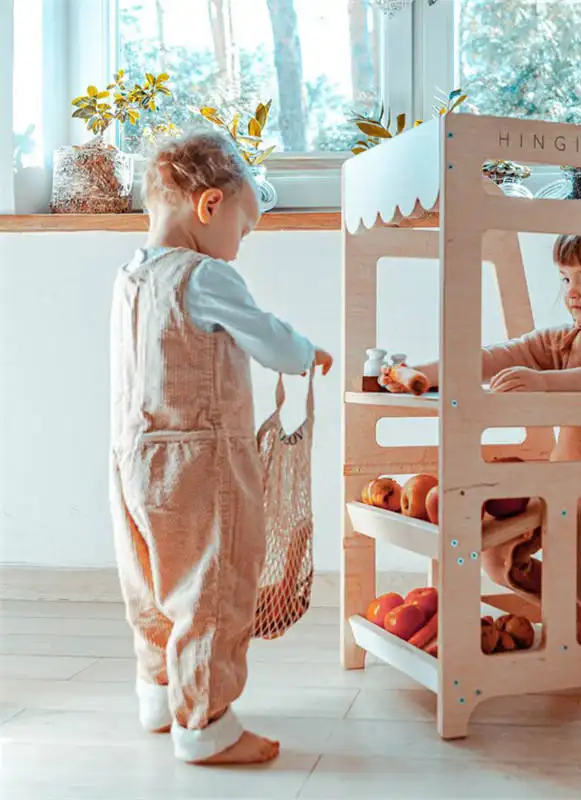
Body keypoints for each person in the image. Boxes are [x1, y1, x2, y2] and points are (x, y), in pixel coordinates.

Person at [109, 131, 333, 765]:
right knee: (212, 579)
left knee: (151, 577)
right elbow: (272, 341)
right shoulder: (205, 274)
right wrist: (304, 351)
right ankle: (206, 723)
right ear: (210, 207)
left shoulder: (132, 274)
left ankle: (159, 692)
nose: (242, 242)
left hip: (133, 454)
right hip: (198, 455)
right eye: (246, 225)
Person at [381, 218, 581, 645]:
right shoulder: (564, 340)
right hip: (561, 480)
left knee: (566, 545)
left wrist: (546, 383)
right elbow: (496, 354)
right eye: (565, 278)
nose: (572, 292)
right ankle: (580, 613)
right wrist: (424, 373)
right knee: (494, 550)